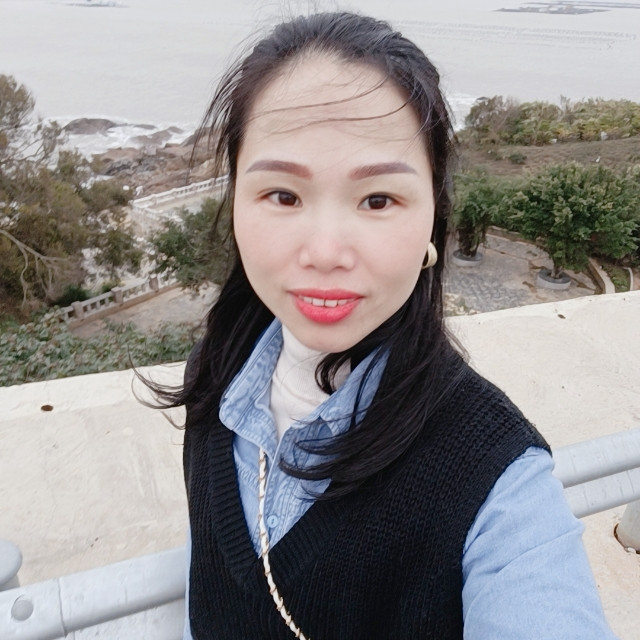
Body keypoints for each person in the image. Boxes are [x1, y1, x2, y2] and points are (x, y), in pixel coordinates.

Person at [152, 12, 619, 640]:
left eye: (378, 200)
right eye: (283, 196)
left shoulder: (495, 478)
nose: (325, 252)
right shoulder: (215, 378)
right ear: (236, 200)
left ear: (433, 216)